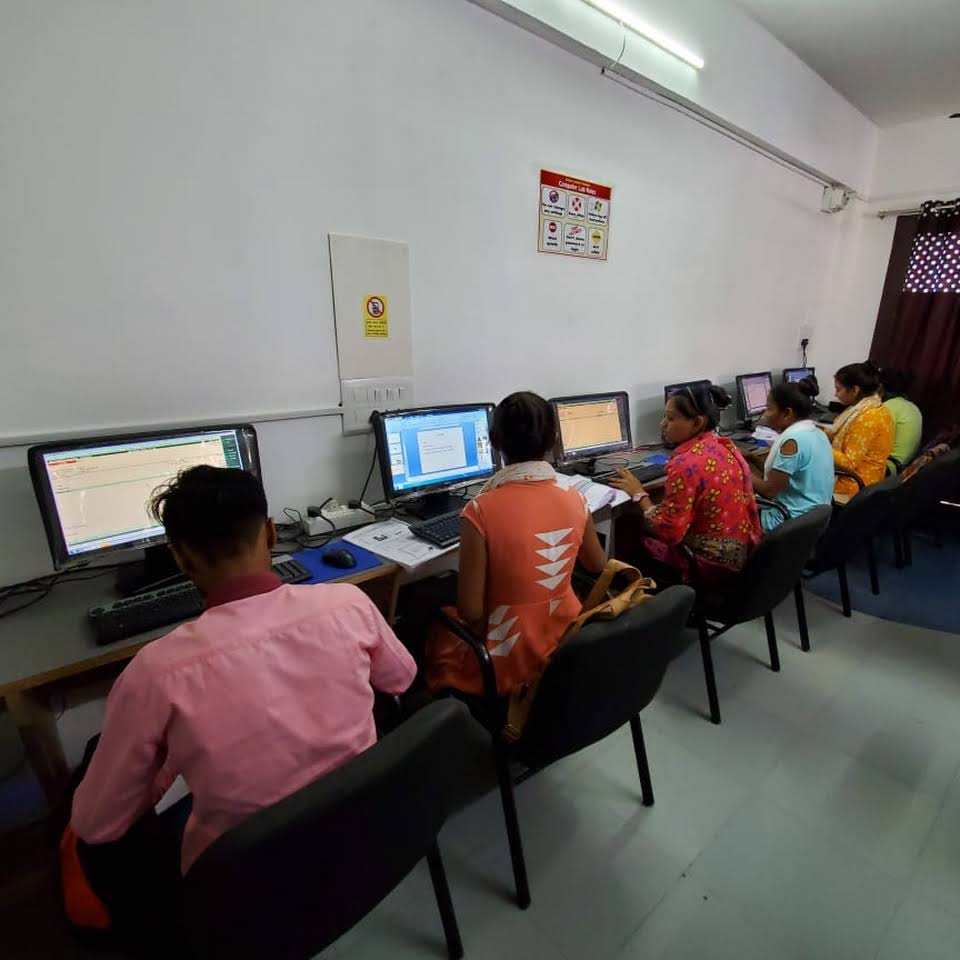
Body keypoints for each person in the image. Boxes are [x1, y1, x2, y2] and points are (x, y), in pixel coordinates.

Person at [62, 466, 416, 939]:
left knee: (94, 826)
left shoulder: (155, 673)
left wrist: (165, 769)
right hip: (362, 837)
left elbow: (97, 825)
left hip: (245, 891)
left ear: (180, 557)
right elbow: (401, 678)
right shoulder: (348, 604)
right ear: (270, 533)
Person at [425, 391, 606, 701]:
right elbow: (597, 565)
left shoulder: (480, 509)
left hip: (506, 657)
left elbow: (470, 612)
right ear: (554, 439)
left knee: (434, 616)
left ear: (494, 443)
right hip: (565, 641)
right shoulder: (576, 499)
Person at [610, 384, 762, 584]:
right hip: (738, 552)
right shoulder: (724, 446)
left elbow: (669, 532)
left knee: (624, 524)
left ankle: (633, 591)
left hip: (709, 565)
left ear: (697, 422)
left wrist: (639, 493)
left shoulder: (685, 464)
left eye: (671, 418)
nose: (663, 423)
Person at [751, 378, 834, 530]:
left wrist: (741, 469)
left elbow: (769, 491)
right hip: (815, 519)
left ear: (787, 413)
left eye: (769, 408)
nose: (765, 414)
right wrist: (750, 457)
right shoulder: (817, 432)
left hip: (789, 522)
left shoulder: (792, 442)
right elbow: (783, 472)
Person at [824, 362, 895, 496]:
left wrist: (820, 443)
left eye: (838, 389)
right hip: (867, 477)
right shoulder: (870, 407)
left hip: (854, 484)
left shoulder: (867, 418)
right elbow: (841, 433)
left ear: (855, 390)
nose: (835, 394)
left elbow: (849, 463)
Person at [879, 367, 923, 471]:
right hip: (903, 467)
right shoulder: (912, 407)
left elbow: (873, 442)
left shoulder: (888, 407)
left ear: (880, 387)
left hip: (888, 467)